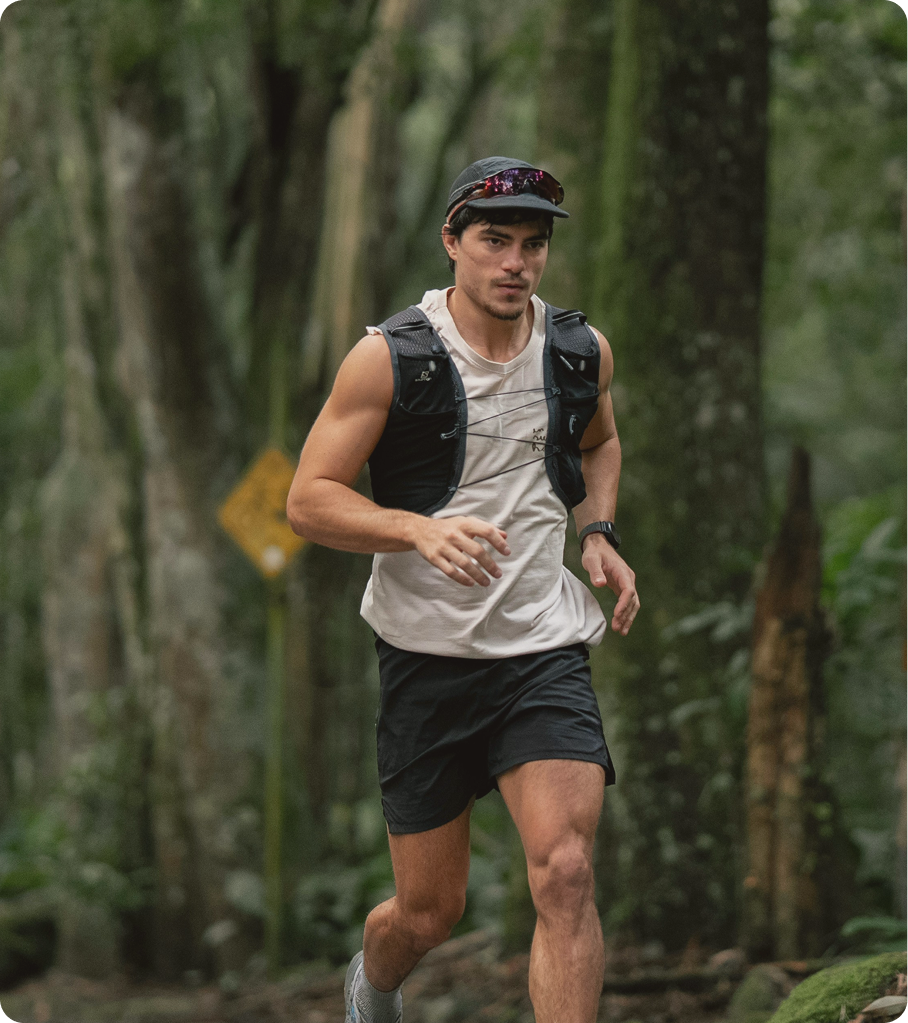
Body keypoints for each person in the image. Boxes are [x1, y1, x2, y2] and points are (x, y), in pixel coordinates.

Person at [287, 156, 639, 1023]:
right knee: (428, 912)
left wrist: (597, 532)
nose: (515, 261)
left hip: (540, 648)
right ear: (452, 242)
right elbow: (307, 500)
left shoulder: (576, 349)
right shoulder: (389, 358)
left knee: (565, 871)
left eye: (532, 244)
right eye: (494, 241)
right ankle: (373, 985)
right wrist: (414, 526)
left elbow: (600, 441)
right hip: (426, 658)